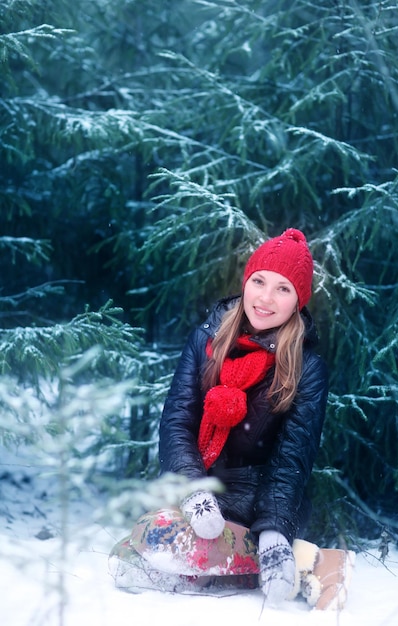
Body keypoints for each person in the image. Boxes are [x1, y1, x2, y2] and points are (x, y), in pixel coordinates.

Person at [109, 228, 355, 610]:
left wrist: (274, 530)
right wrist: (193, 493)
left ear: (298, 301)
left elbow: (291, 460)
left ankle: (304, 559)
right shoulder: (205, 342)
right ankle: (273, 559)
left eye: (283, 289)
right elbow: (177, 423)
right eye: (259, 281)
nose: (266, 298)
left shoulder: (307, 367)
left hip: (260, 499)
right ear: (246, 282)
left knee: (164, 549)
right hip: (200, 490)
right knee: (131, 550)